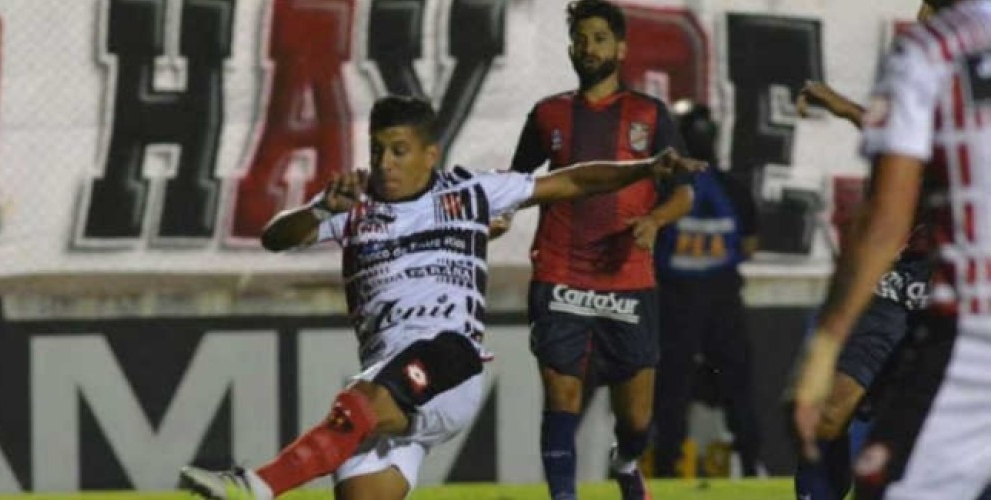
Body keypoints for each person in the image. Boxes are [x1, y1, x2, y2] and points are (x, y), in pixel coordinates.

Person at [177, 96, 703, 500]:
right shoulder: (350, 205)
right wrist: (317, 213)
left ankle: (256, 485)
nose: (385, 162)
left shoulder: (469, 193)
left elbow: (571, 181)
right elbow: (273, 238)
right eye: (377, 148)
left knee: (358, 403)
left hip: (449, 364)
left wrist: (642, 169)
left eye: (399, 150)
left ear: (432, 153)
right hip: (385, 380)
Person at [791, 0, 991, 498]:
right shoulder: (931, 56)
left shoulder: (933, 53)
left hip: (966, 304)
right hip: (914, 279)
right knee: (828, 415)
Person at [504, 1, 694, 499]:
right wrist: (498, 218)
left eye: (600, 38)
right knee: (563, 394)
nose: (589, 48)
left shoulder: (649, 115)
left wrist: (655, 220)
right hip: (560, 272)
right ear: (571, 47)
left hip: (628, 278)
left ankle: (626, 461)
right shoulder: (548, 114)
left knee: (637, 419)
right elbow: (516, 183)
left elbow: (683, 192)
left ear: (621, 47)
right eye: (582, 39)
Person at [650, 101, 762, 478]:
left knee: (672, 391)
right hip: (723, 302)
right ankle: (749, 466)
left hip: (675, 305)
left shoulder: (664, 190)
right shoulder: (733, 189)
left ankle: (667, 471)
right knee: (737, 387)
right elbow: (748, 247)